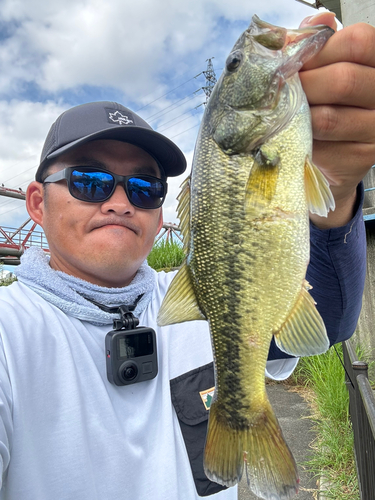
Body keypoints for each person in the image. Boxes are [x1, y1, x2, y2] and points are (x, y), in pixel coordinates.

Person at [0, 12, 373, 500]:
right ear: (36, 204)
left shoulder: (201, 300)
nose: (119, 201)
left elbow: (332, 320)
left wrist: (339, 194)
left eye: (144, 187)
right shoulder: (10, 337)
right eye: (88, 181)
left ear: (160, 215)